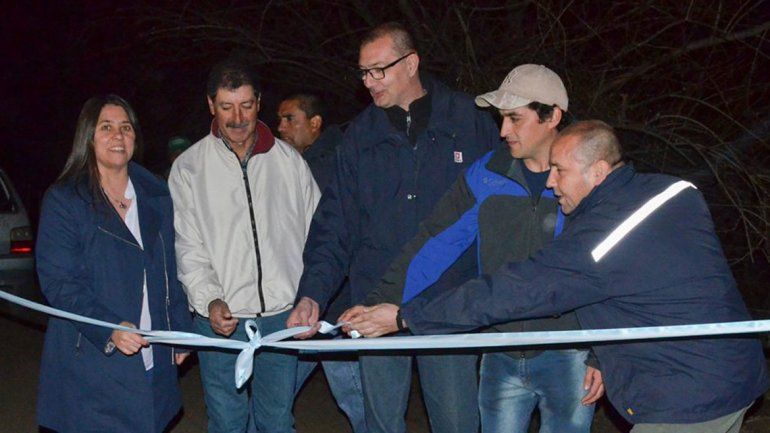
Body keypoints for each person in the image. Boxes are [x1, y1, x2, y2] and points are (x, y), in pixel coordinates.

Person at [392, 120, 768, 433]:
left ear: (598, 171)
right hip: (736, 373)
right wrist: (604, 357)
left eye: (561, 171)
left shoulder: (600, 241)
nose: (552, 183)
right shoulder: (673, 191)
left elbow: (515, 289)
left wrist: (407, 316)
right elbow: (654, 288)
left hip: (685, 398)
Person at [341, 64, 603, 433]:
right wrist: (381, 301)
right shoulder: (486, 174)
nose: (502, 131)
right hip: (499, 353)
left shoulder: (588, 182)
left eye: (514, 119)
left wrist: (602, 354)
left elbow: (610, 271)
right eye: (501, 119)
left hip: (567, 354)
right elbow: (435, 242)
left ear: (552, 116)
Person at [286, 22, 500, 433]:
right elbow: (335, 225)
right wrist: (313, 292)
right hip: (374, 303)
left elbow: (498, 212)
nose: (369, 82)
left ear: (411, 63)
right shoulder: (359, 138)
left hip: (448, 305)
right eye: (364, 72)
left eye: (378, 70)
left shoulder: (470, 122)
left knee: (457, 422)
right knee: (381, 424)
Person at [168, 59, 320, 433]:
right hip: (219, 319)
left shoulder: (290, 163)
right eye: (226, 107)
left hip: (280, 319)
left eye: (246, 106)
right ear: (210, 106)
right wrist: (209, 300)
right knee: (227, 422)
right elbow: (187, 247)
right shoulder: (189, 168)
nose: (237, 118)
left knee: (276, 421)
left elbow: (318, 238)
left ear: (259, 103)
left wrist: (309, 296)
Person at [35, 94, 193, 433]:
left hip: (152, 352)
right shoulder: (65, 200)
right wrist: (108, 327)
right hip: (93, 357)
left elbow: (171, 270)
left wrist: (180, 331)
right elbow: (59, 281)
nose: (118, 136)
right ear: (88, 137)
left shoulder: (157, 195)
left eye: (126, 128)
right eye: (106, 127)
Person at [277, 93, 368, 433]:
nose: (281, 127)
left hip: (331, 308)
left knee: (357, 400)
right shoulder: (302, 163)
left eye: (290, 119)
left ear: (314, 124)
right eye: (280, 119)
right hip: (312, 304)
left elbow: (331, 241)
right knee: (275, 395)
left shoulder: (326, 167)